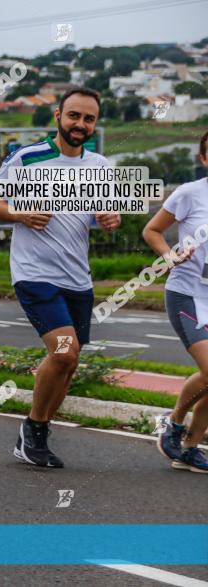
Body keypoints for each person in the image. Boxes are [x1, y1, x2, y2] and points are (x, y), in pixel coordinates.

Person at [0, 87, 121, 468]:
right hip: (34, 272)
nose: (80, 124)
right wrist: (21, 213)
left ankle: (35, 429)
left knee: (67, 362)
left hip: (77, 276)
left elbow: (101, 214)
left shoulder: (100, 166)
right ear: (58, 115)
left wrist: (109, 218)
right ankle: (35, 431)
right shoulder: (30, 157)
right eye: (74, 115)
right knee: (65, 350)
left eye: (88, 118)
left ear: (94, 123)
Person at [142, 130, 208, 474]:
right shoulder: (190, 194)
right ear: (204, 159)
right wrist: (170, 255)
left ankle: (190, 449)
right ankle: (175, 422)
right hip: (186, 293)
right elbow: (152, 231)